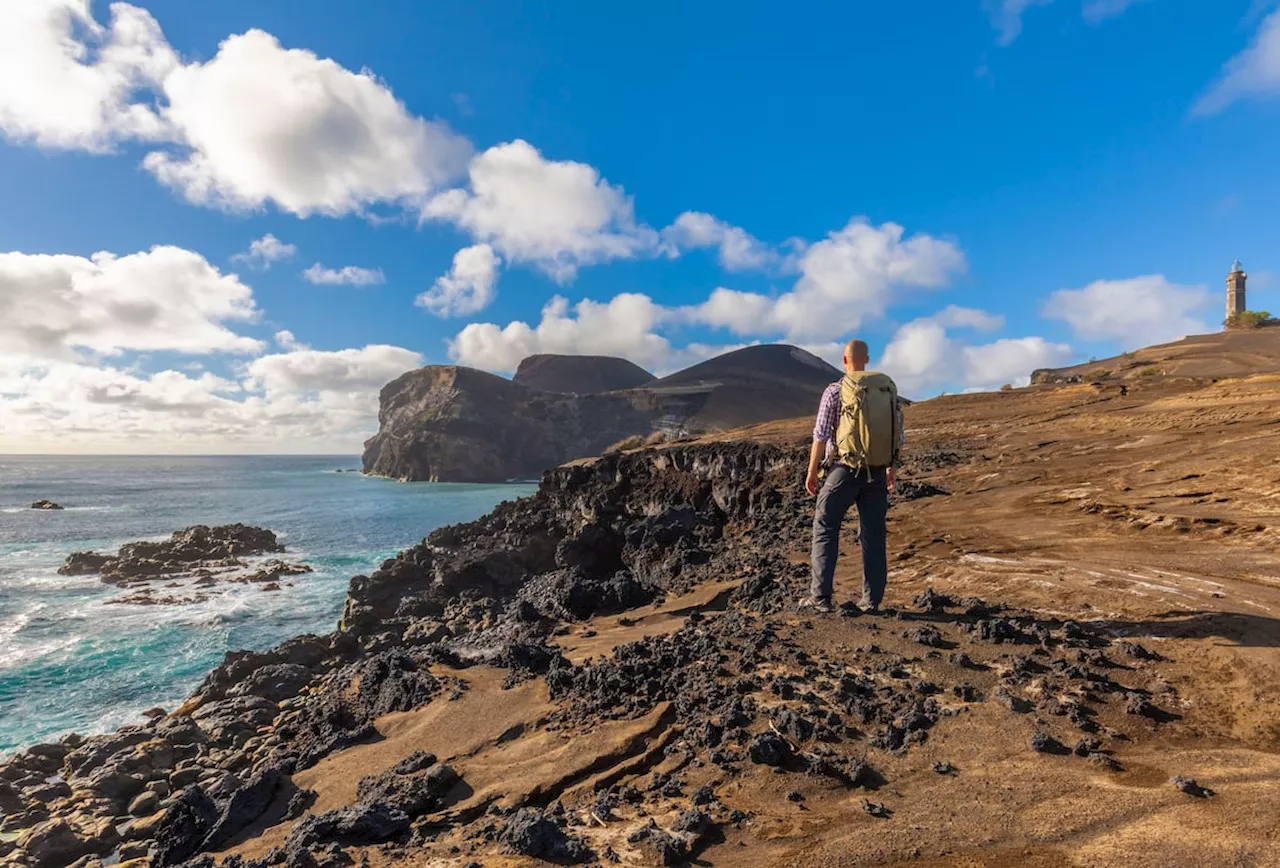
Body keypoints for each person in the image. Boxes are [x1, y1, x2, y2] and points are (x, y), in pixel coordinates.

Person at [802, 339, 904, 614]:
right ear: (867, 359)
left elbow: (821, 436)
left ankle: (820, 598)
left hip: (845, 470)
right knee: (873, 535)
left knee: (825, 526)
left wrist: (812, 472)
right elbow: (897, 433)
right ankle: (872, 601)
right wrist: (890, 467)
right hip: (878, 471)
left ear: (844, 360)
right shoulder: (886, 389)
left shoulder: (836, 391)